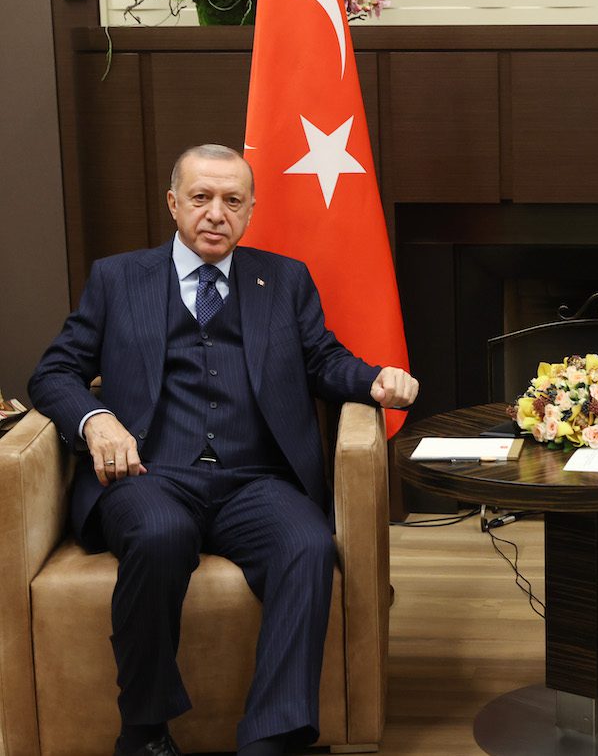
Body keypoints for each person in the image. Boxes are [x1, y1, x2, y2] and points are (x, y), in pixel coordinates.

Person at [28, 144, 418, 756]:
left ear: (251, 210)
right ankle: (145, 731)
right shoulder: (117, 278)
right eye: (201, 198)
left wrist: (374, 380)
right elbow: (53, 373)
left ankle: (273, 737)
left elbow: (322, 359)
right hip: (149, 474)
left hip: (256, 480)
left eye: (233, 201)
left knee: (308, 544)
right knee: (160, 535)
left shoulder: (284, 279)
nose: (216, 213)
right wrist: (96, 421)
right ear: (173, 203)